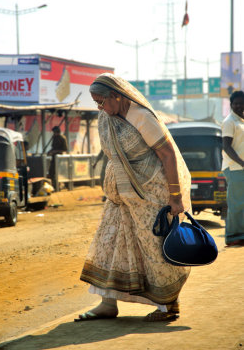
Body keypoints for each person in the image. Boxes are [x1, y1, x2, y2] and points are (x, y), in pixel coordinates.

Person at [74, 73, 192, 323]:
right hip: (120, 195)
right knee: (111, 242)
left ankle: (168, 306)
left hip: (151, 192)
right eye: (96, 103)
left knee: (154, 248)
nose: (100, 108)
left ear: (117, 95)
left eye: (102, 102)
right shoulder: (108, 117)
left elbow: (168, 155)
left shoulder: (141, 116)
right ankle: (107, 303)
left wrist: (175, 197)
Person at [221, 90, 244, 247]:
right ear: (231, 105)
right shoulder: (230, 121)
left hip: (240, 167)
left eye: (241, 103)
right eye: (235, 103)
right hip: (234, 167)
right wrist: (242, 163)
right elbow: (226, 147)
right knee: (236, 203)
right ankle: (232, 236)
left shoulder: (240, 120)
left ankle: (240, 234)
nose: (239, 106)